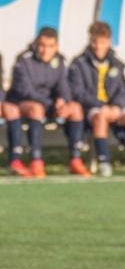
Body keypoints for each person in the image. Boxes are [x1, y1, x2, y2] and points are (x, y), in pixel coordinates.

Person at [3, 26, 88, 178]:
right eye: (42, 45)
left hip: (48, 104)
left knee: (75, 108)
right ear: (36, 44)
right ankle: (36, 161)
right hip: (24, 103)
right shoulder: (24, 60)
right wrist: (50, 103)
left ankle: (75, 159)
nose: (45, 50)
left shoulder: (59, 61)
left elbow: (63, 85)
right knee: (36, 108)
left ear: (56, 47)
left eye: (50, 46)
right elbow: (25, 91)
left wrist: (62, 100)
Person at [68, 21, 125, 177]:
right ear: (89, 40)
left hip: (114, 108)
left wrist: (117, 106)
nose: (98, 46)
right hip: (92, 107)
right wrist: (101, 105)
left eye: (102, 42)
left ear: (109, 42)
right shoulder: (79, 63)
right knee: (100, 118)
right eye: (94, 42)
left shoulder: (116, 63)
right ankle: (104, 162)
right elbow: (77, 92)